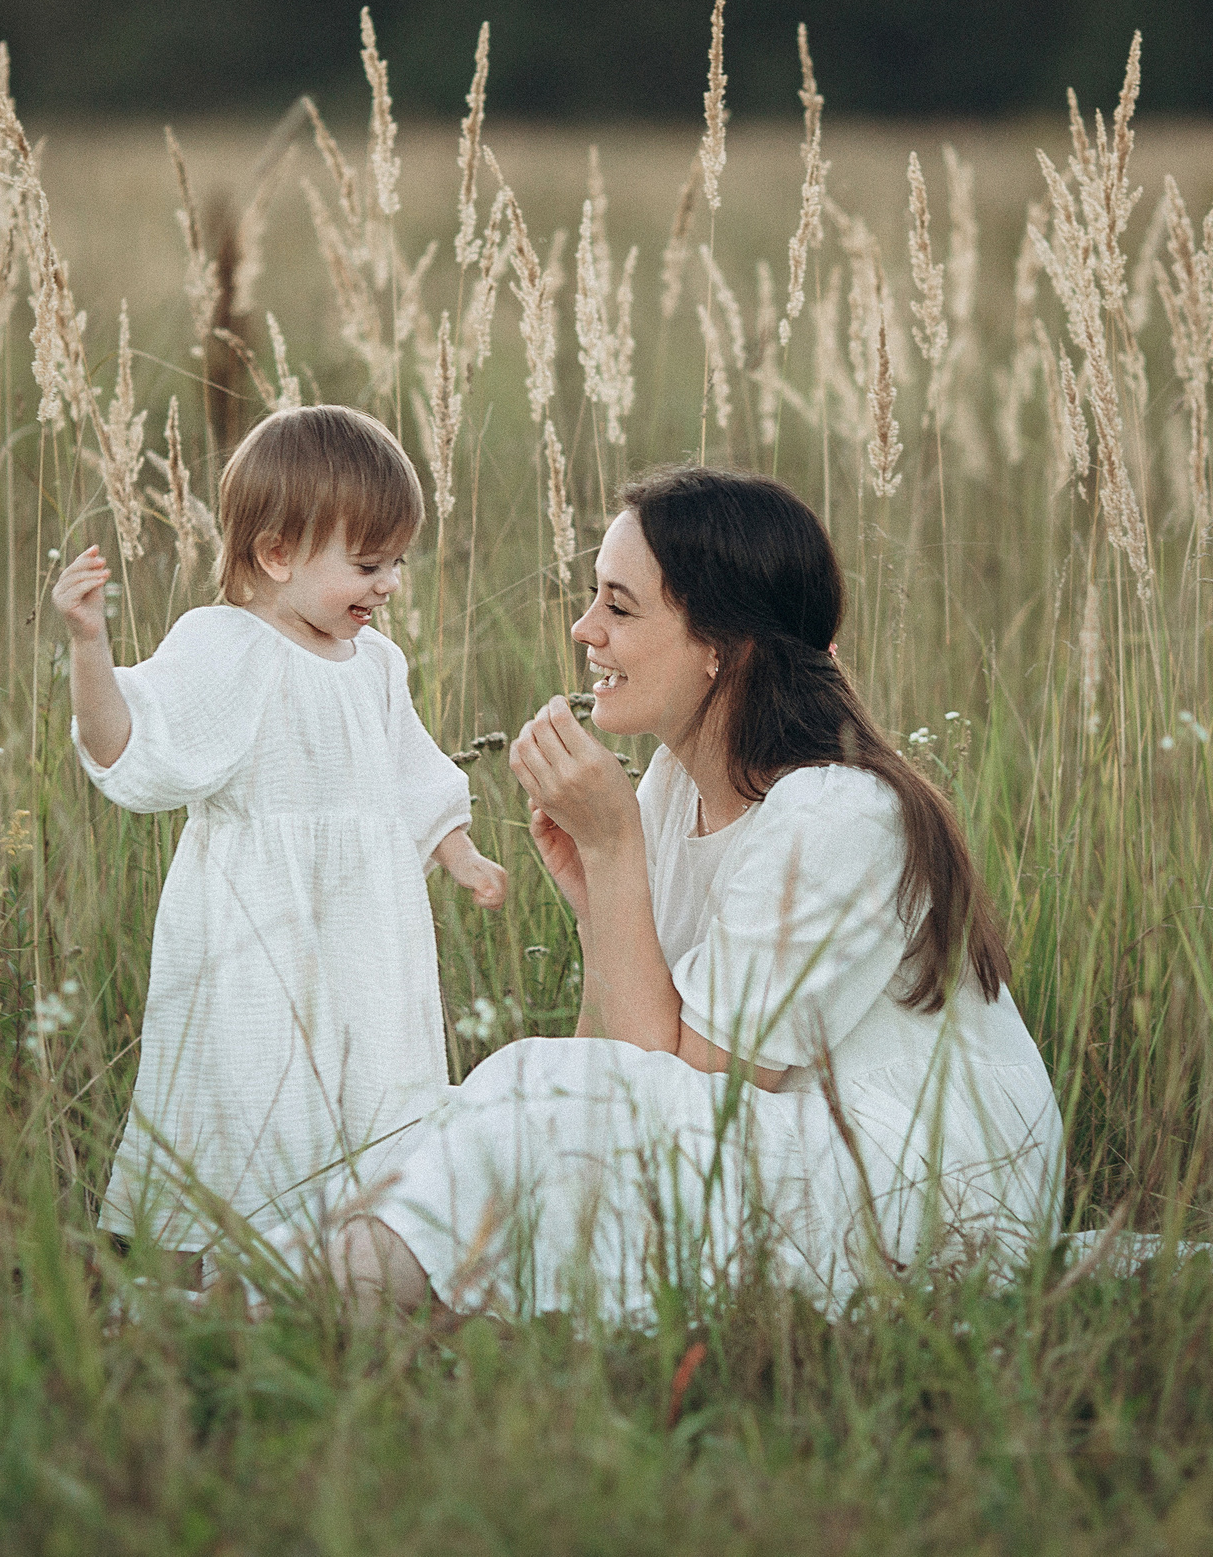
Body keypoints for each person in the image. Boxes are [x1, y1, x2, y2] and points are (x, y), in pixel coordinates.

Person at [325, 466, 1062, 1321]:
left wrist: (613, 854)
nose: (584, 627)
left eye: (620, 606)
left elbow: (684, 1087)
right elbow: (610, 1062)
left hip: (929, 1187)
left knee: (533, 1095)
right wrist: (602, 893)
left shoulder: (838, 815)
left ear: (722, 647)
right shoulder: (679, 784)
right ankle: (320, 1288)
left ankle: (324, 1307)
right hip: (791, 1138)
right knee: (477, 1102)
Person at [56, 404, 508, 1258]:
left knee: (370, 1080)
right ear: (276, 553)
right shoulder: (229, 646)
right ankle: (221, 1266)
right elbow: (131, 742)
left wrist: (459, 851)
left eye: (398, 564)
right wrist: (90, 644)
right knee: (262, 1082)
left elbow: (408, 771)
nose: (388, 587)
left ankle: (357, 1255)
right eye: (368, 564)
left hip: (367, 935)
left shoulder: (376, 662)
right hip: (261, 932)